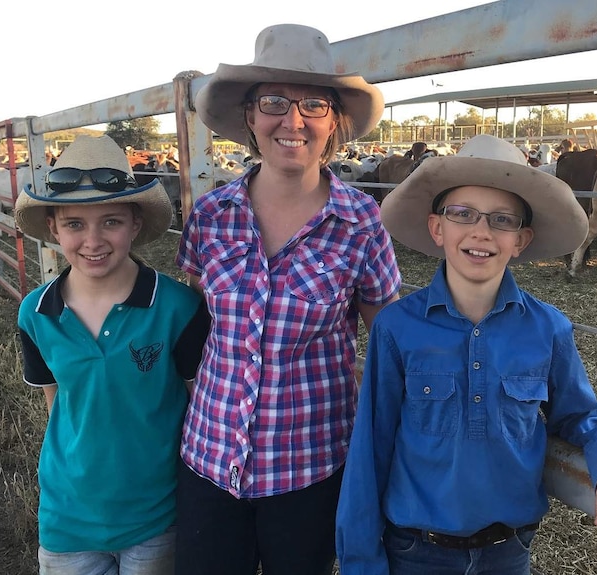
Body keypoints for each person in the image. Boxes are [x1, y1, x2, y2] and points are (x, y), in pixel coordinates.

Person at [336, 134, 597, 575]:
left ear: (521, 240)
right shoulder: (398, 327)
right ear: (438, 228)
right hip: (415, 552)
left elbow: (578, 412)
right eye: (462, 214)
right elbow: (370, 447)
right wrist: (362, 562)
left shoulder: (548, 328)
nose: (481, 231)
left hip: (506, 554)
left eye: (502, 220)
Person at [174, 23, 402, 575]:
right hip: (209, 457)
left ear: (334, 123)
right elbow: (200, 318)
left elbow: (392, 335)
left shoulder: (361, 222)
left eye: (314, 105)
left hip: (310, 467)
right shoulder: (210, 216)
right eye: (274, 101)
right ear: (251, 116)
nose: (292, 120)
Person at [14, 135, 210, 575]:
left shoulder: (178, 307)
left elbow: (198, 405)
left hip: (155, 516)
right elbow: (58, 405)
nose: (93, 240)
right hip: (68, 515)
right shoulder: (36, 313)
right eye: (74, 224)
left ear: (135, 224)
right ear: (53, 228)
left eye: (111, 222)